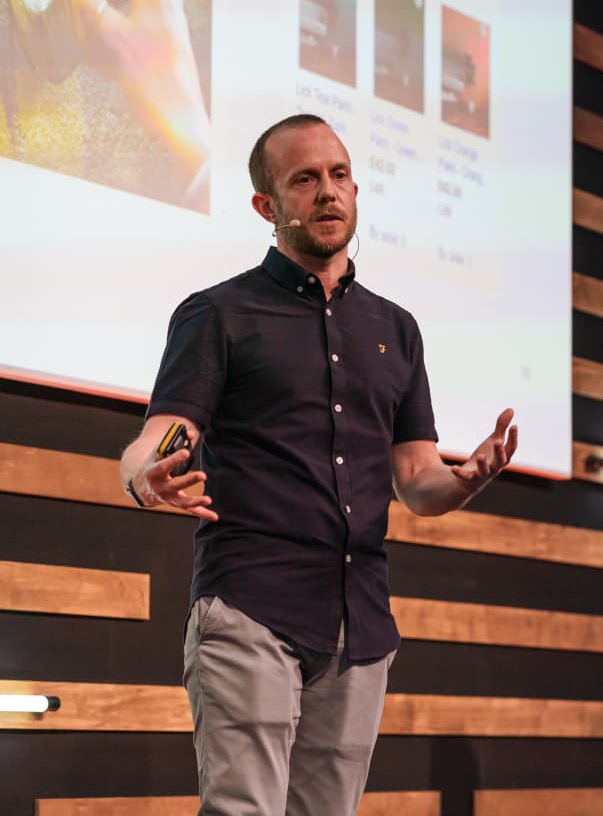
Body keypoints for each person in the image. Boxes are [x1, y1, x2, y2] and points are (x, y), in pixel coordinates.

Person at [119, 113, 518, 816]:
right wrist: (146, 474)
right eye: (304, 180)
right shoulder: (219, 313)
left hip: (358, 622)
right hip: (251, 606)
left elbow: (416, 480)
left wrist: (463, 480)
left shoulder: (396, 330)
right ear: (267, 207)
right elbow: (160, 435)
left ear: (358, 190)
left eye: (338, 176)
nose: (327, 193)